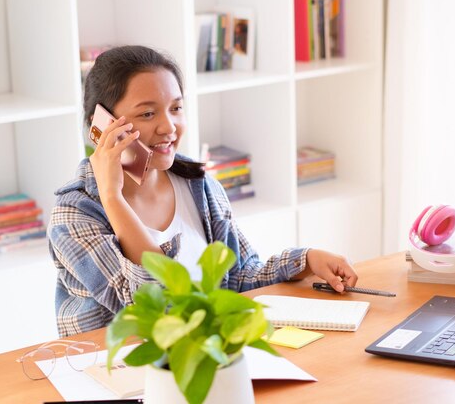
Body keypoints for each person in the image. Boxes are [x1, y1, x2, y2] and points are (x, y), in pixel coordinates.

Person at [48, 45, 358, 337]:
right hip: (115, 377)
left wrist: (306, 260)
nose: (169, 127)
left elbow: (236, 277)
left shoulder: (199, 186)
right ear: (100, 126)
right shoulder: (74, 214)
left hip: (202, 359)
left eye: (176, 108)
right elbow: (156, 312)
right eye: (147, 114)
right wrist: (113, 198)